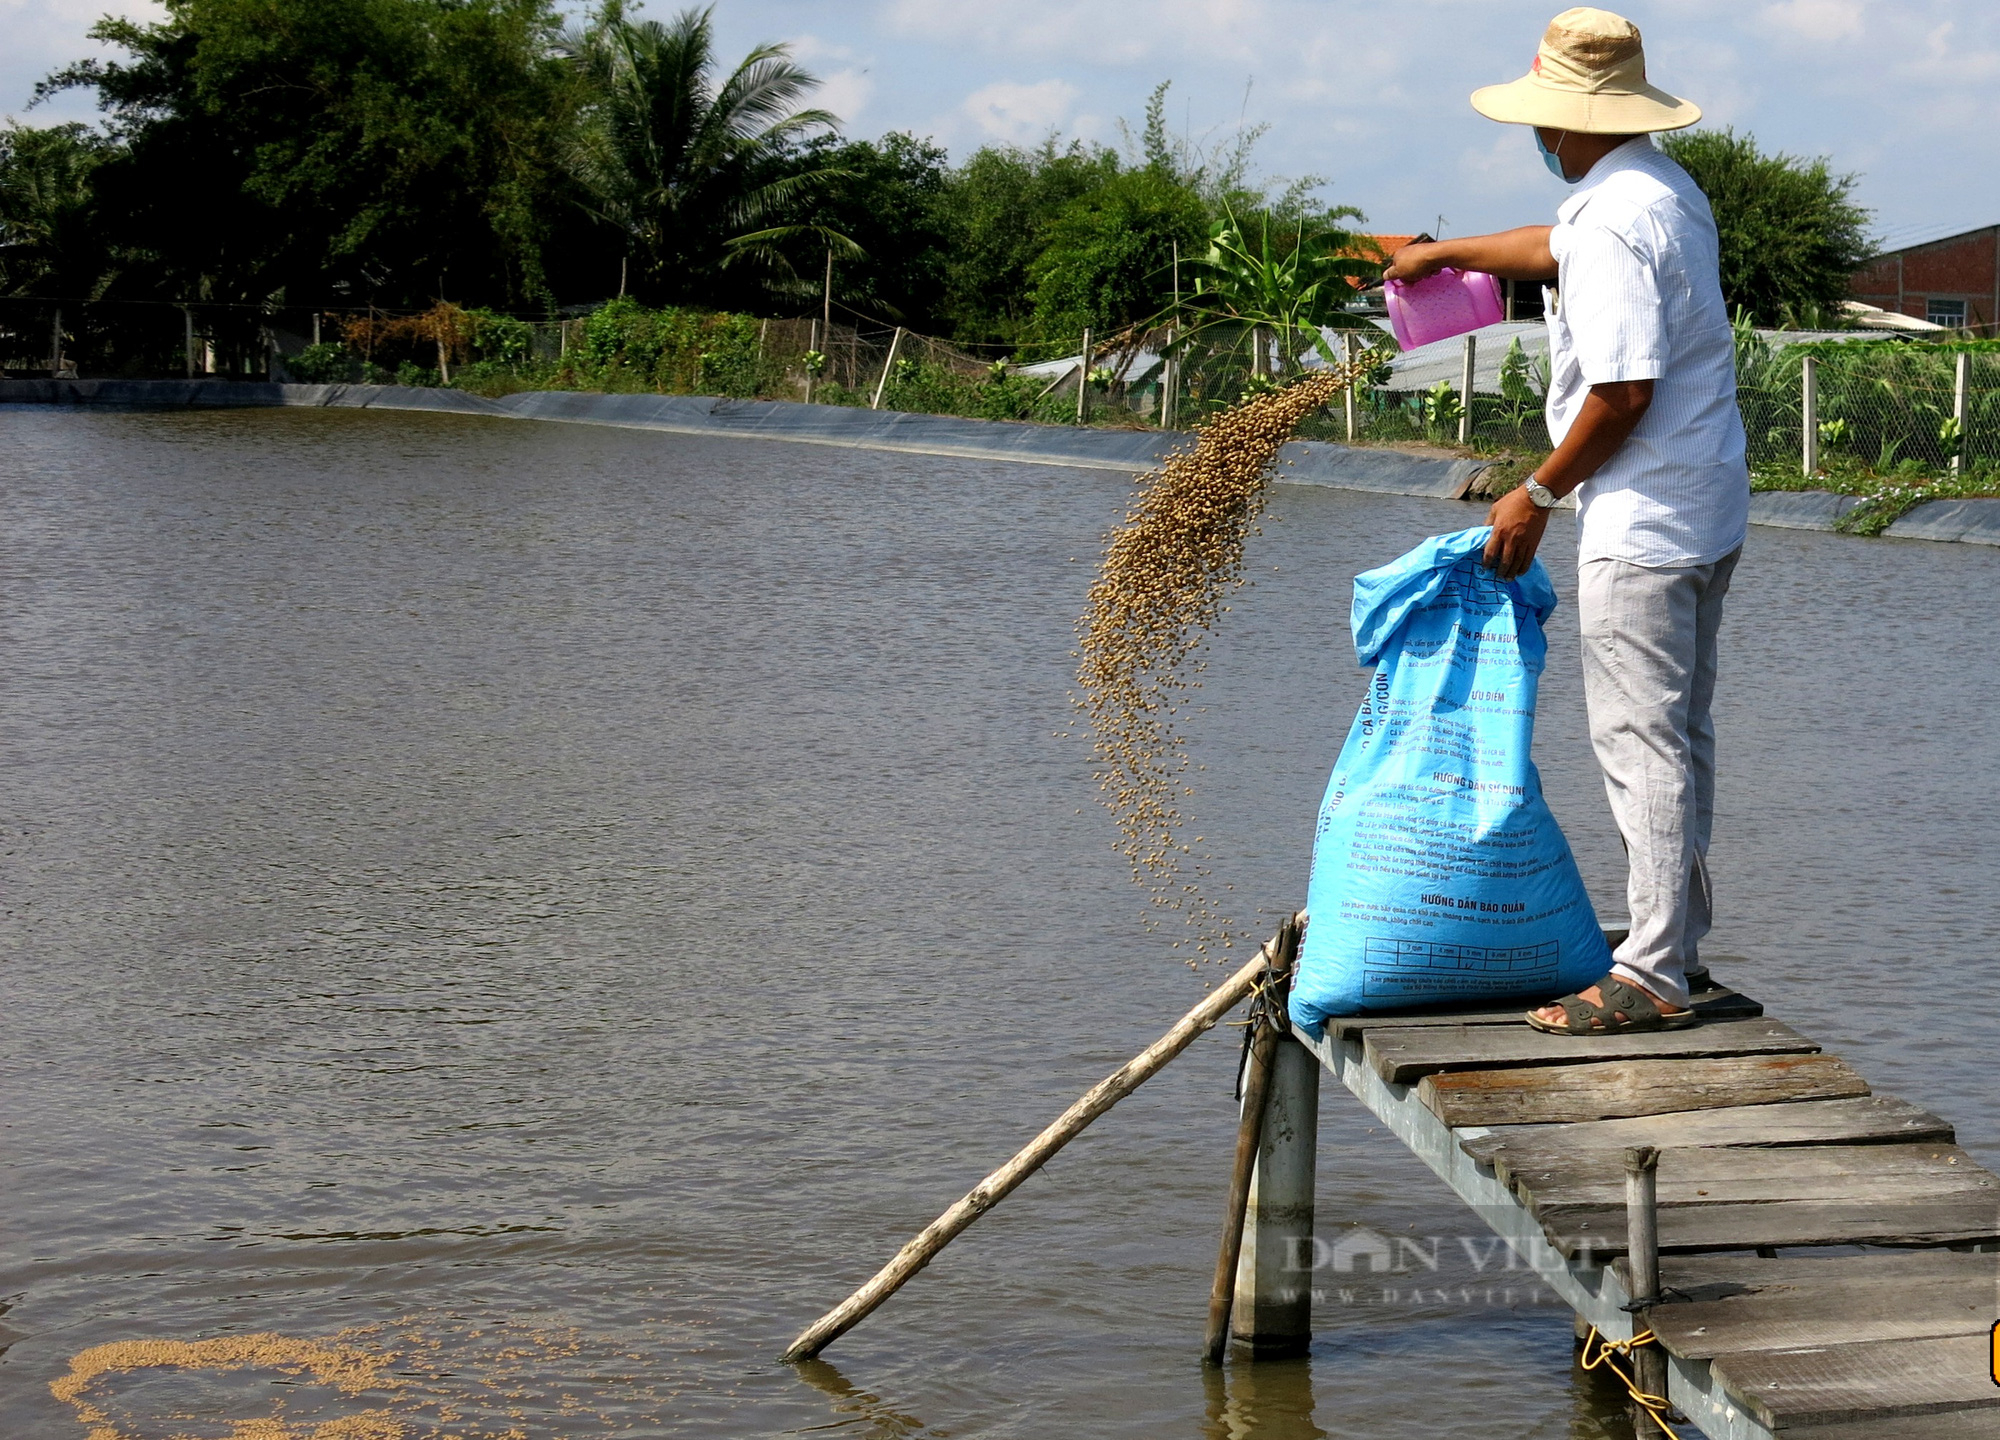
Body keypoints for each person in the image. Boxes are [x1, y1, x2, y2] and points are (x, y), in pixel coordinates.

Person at [1383, 7, 1748, 1035]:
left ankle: (1651, 976)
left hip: (1645, 515)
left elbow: (1622, 391)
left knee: (1640, 741)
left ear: (1563, 122)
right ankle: (1675, 946)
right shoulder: (1657, 191)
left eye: (1540, 122)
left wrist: (1534, 496)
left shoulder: (1612, 221)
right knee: (1677, 733)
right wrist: (1445, 251)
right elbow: (1548, 247)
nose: (1534, 138)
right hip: (1704, 501)